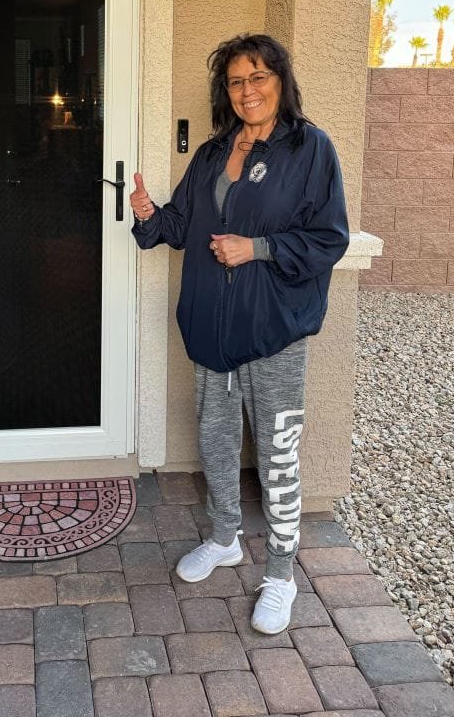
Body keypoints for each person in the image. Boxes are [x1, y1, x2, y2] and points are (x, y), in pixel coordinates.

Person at [130, 33, 349, 634]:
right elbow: (178, 227)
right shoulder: (210, 153)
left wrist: (258, 249)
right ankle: (225, 536)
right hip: (211, 330)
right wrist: (147, 212)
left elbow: (330, 239)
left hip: (272, 329)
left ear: (280, 80)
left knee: (277, 454)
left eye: (258, 77)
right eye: (235, 81)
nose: (247, 90)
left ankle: (280, 572)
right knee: (217, 442)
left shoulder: (310, 149)